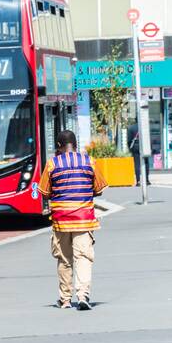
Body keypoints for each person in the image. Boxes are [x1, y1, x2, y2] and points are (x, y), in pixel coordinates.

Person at [36, 130, 107, 311]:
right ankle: (83, 295)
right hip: (84, 219)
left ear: (59, 146)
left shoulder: (52, 164)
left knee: (64, 259)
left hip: (61, 221)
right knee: (83, 257)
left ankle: (65, 299)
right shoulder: (89, 161)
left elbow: (44, 191)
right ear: (75, 145)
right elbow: (99, 189)